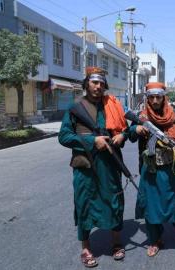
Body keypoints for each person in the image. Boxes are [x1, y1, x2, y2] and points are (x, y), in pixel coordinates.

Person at [58, 67, 128, 268]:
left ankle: (116, 242)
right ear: (87, 83)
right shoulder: (75, 107)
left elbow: (126, 128)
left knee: (114, 201)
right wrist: (92, 141)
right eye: (94, 82)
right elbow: (64, 136)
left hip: (110, 163)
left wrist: (123, 135)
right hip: (85, 166)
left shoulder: (112, 105)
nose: (98, 86)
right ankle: (86, 248)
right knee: (84, 204)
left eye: (101, 83)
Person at [129, 82, 175, 265]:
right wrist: (135, 129)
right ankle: (154, 240)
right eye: (151, 97)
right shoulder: (142, 115)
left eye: (158, 97)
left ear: (164, 97)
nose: (154, 101)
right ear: (147, 98)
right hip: (150, 169)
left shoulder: (174, 115)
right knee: (151, 207)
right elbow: (129, 134)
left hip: (171, 169)